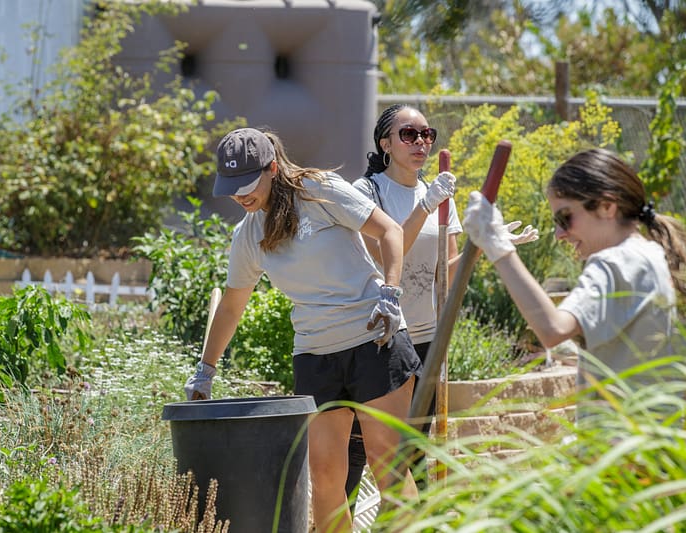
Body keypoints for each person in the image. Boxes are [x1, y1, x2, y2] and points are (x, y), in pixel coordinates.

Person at [184, 127, 421, 532]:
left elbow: (389, 231)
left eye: (247, 184)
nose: (240, 195)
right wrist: (205, 370)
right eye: (231, 187)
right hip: (315, 356)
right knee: (325, 477)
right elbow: (231, 306)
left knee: (389, 468)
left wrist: (391, 294)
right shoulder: (249, 234)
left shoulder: (319, 190)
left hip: (374, 340)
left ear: (273, 168)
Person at [346, 103, 539, 501]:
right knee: (361, 446)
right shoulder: (368, 192)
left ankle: (412, 525)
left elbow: (444, 273)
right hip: (379, 335)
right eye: (409, 134)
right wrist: (425, 206)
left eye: (427, 134)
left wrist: (486, 244)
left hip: (426, 337)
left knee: (416, 445)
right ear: (385, 143)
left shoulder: (438, 195)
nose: (421, 142)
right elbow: (384, 255)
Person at [463, 147, 686, 421]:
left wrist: (496, 245)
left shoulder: (613, 262)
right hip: (655, 440)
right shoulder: (652, 254)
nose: (559, 234)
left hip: (621, 451)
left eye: (565, 217)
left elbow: (553, 329)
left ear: (607, 206)